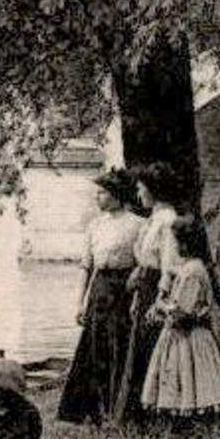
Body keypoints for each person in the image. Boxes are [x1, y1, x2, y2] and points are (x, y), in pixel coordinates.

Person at [57, 169, 143, 425]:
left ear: (117, 195)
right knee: (95, 349)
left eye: (103, 193)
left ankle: (119, 409)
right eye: (97, 192)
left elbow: (144, 262)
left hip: (124, 289)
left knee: (120, 347)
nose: (98, 197)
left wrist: (135, 283)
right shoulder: (95, 225)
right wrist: (80, 303)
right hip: (100, 289)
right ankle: (94, 410)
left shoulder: (137, 224)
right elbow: (88, 266)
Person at [141, 215, 220, 426]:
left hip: (189, 336)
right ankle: (189, 418)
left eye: (173, 241)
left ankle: (190, 421)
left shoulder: (192, 272)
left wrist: (159, 307)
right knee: (186, 377)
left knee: (188, 376)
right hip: (186, 334)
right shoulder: (191, 267)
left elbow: (181, 312)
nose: (171, 246)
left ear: (184, 243)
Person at [117, 162, 183, 424]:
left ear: (154, 190)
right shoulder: (154, 218)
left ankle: (154, 414)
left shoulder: (167, 220)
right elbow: (146, 257)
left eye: (141, 188)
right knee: (141, 348)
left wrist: (160, 298)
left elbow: (169, 263)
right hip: (146, 286)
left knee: (153, 348)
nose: (138, 192)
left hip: (156, 287)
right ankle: (139, 414)